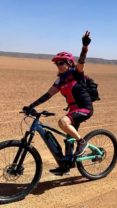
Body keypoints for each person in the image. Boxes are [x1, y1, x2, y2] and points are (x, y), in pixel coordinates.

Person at [23, 31, 93, 175]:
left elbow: (81, 61)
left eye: (61, 63)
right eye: (57, 64)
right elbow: (48, 95)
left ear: (68, 63)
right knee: (68, 139)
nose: (58, 66)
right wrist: (31, 106)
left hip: (84, 108)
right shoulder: (60, 80)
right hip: (73, 110)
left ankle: (82, 142)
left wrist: (84, 46)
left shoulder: (76, 73)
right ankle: (66, 165)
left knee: (63, 122)